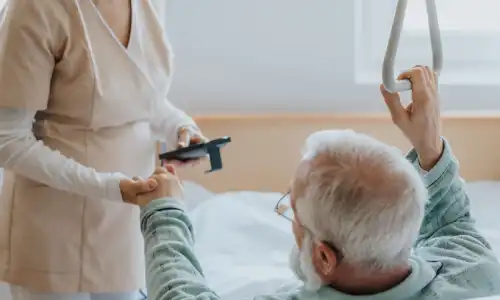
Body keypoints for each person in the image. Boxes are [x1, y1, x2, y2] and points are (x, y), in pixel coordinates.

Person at [133, 66, 500, 300]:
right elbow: (453, 224)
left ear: (324, 257)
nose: (292, 219)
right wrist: (429, 146)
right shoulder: (471, 275)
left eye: (292, 209)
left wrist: (164, 214)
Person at [0, 0, 207, 299]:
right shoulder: (34, 8)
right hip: (53, 230)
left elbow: (139, 95)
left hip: (124, 224)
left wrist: (180, 127)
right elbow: (8, 140)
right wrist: (112, 186)